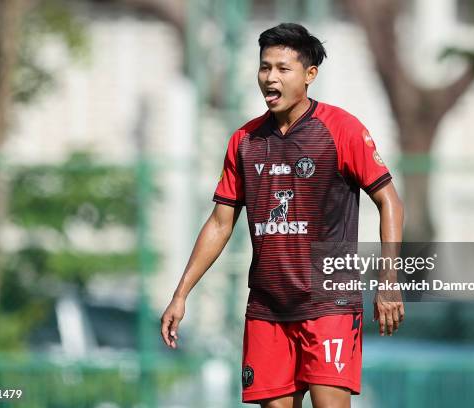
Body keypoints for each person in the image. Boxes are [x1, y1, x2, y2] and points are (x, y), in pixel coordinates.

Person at [161, 23, 405, 408]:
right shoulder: (244, 141)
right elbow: (220, 223)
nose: (270, 77)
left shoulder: (341, 130)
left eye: (282, 68)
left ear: (310, 75)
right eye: (264, 67)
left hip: (329, 305)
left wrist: (388, 280)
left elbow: (389, 201)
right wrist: (180, 294)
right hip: (267, 309)